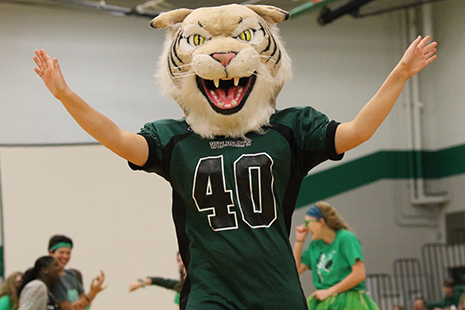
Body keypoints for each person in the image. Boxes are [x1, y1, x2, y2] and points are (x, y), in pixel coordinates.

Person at [32, 4, 437, 309]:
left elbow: (357, 132)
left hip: (276, 288)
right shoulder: (174, 139)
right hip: (211, 291)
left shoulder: (290, 128)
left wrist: (398, 75)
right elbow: (118, 138)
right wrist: (66, 96)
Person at [293, 202, 379, 310]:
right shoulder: (315, 245)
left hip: (349, 299)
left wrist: (330, 291)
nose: (305, 226)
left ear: (321, 221)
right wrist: (299, 240)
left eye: (307, 222)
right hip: (324, 300)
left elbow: (359, 274)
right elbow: (295, 270)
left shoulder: (346, 238)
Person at [47, 235, 106, 310]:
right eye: (61, 252)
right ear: (51, 253)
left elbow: (83, 304)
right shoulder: (49, 277)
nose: (65, 256)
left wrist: (94, 291)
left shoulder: (72, 275)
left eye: (68, 253)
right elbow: (66, 308)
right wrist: (92, 292)